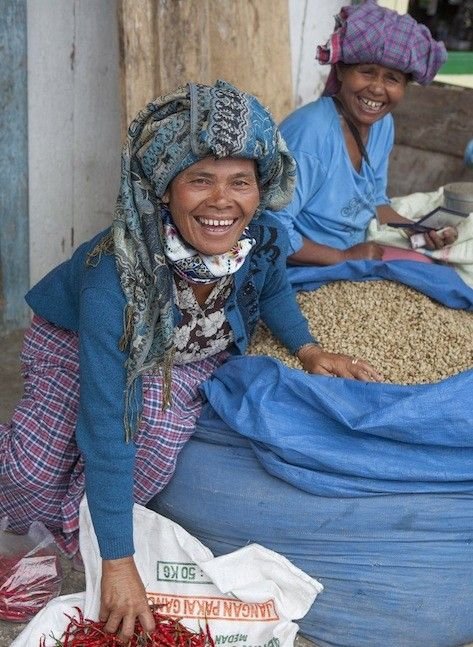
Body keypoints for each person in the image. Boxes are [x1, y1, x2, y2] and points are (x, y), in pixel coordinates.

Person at [0, 80, 382, 642]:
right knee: (37, 466)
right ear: (165, 190)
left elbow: (274, 290)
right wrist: (120, 565)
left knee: (152, 445)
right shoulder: (119, 274)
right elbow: (109, 422)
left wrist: (308, 348)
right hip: (75, 336)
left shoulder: (263, 239)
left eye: (240, 182)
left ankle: (71, 537)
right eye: (199, 179)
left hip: (187, 353)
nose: (221, 200)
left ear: (261, 188)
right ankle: (56, 529)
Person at [273, 0, 457, 266]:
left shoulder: (383, 125)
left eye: (392, 78)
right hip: (299, 268)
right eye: (367, 72)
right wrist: (343, 257)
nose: (377, 89)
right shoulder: (310, 133)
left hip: (354, 255)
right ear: (341, 70)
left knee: (441, 275)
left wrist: (419, 229)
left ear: (405, 86)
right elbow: (272, 230)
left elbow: (376, 202)